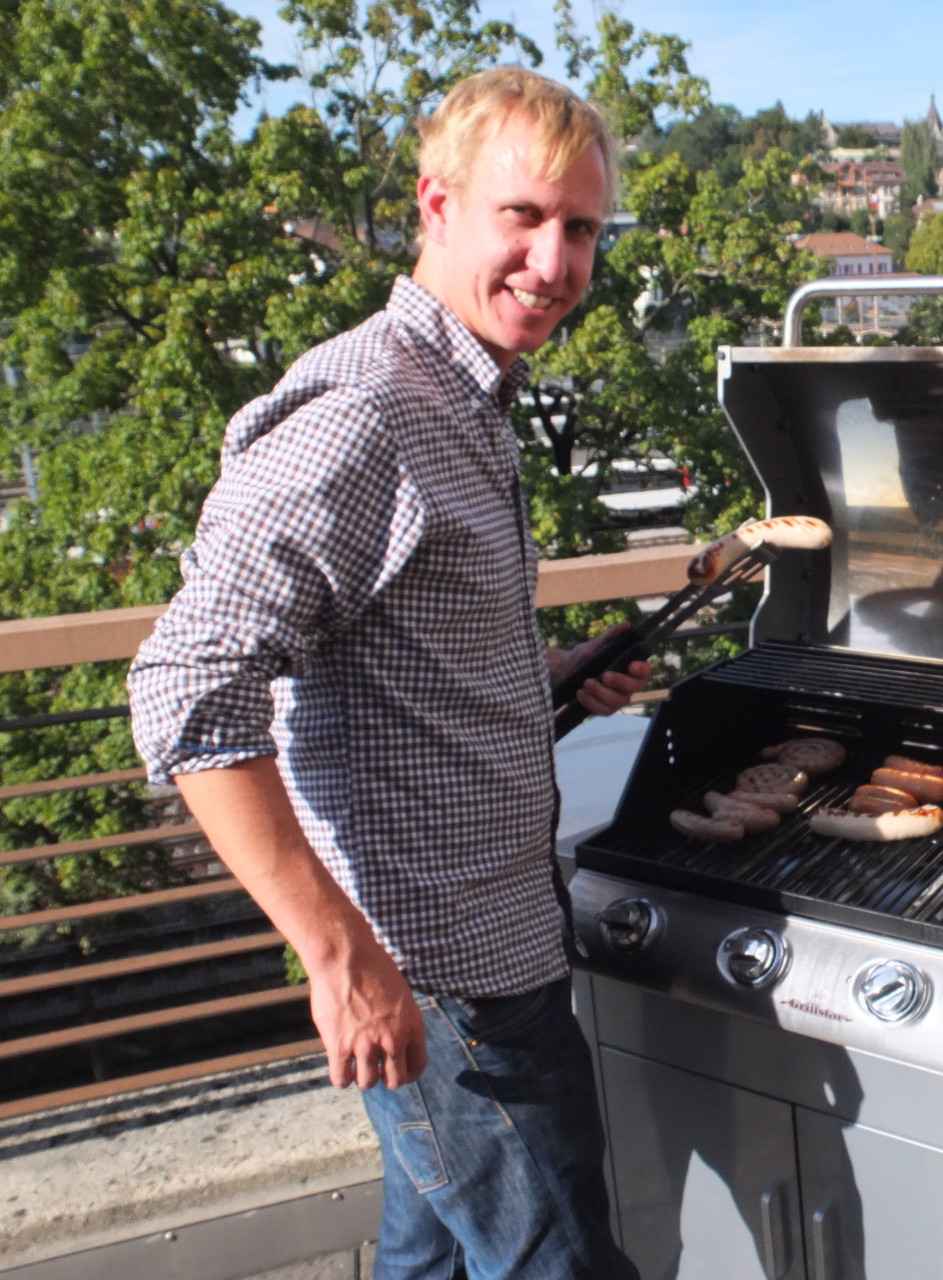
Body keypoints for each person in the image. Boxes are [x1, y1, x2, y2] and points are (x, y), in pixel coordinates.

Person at [128, 67, 645, 1280]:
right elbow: (187, 690)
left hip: (491, 955)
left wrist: (545, 674)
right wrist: (341, 961)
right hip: (444, 982)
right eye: (523, 216)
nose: (554, 262)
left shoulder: (464, 395)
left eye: (579, 229)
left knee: (428, 1262)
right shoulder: (367, 411)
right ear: (437, 204)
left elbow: (387, 651)